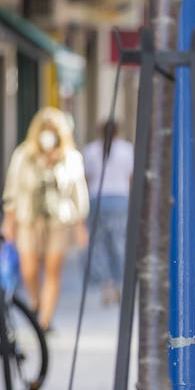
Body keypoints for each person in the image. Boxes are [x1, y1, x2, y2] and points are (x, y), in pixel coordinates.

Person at [2, 107, 90, 331]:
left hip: (59, 221)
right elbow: (12, 189)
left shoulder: (71, 157)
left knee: (52, 269)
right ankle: (35, 302)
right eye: (45, 129)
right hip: (28, 219)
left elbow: (78, 193)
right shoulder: (24, 155)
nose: (48, 134)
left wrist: (81, 226)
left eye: (53, 130)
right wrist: (8, 221)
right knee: (29, 269)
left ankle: (44, 321)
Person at [81, 118, 133, 305]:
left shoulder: (90, 150)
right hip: (120, 200)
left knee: (99, 246)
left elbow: (86, 178)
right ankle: (120, 286)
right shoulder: (127, 150)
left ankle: (107, 289)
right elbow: (130, 178)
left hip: (97, 200)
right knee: (119, 244)